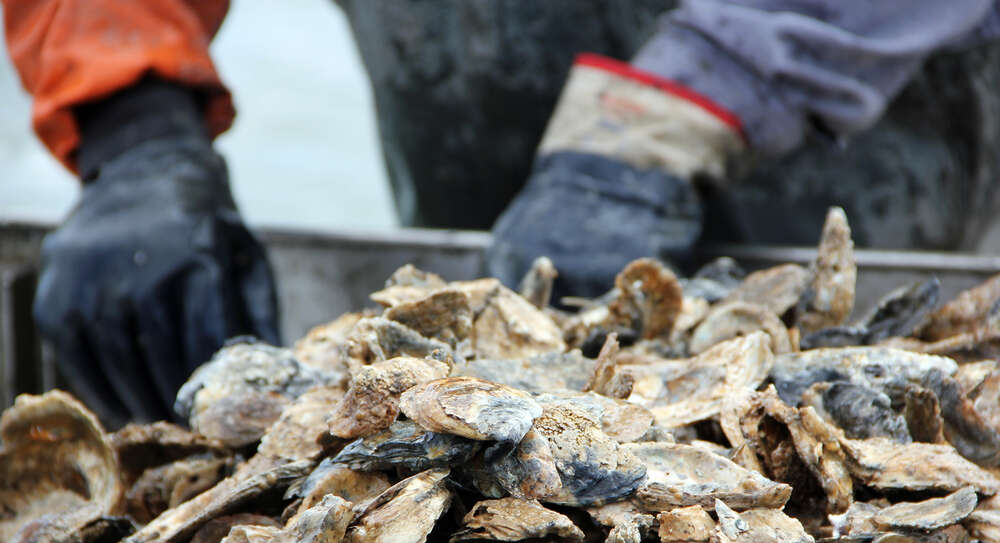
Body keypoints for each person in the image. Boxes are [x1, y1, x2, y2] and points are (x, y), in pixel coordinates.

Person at [4, 1, 1000, 426]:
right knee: (482, 363)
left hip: (871, 105)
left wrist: (688, 102)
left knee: (880, 387)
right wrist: (129, 117)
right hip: (464, 103)